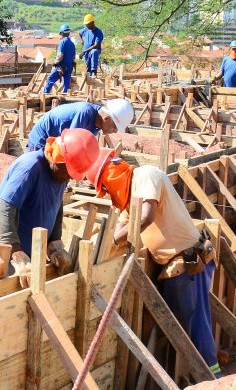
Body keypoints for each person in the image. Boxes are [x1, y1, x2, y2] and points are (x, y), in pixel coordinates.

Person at [85, 149, 222, 377]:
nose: (109, 194)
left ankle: (212, 378)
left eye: (106, 188)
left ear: (111, 175)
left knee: (192, 327)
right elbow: (118, 232)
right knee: (185, 327)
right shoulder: (130, 201)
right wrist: (96, 244)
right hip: (178, 267)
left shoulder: (145, 175)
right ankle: (201, 376)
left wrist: (113, 239)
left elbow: (146, 216)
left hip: (187, 262)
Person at [0, 128, 101, 286]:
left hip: (28, 251)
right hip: (2, 253)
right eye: (69, 172)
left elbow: (57, 204)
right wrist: (17, 255)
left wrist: (55, 244)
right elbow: (3, 210)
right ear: (57, 158)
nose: (70, 177)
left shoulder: (60, 173)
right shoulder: (29, 168)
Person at [27, 99, 134, 151]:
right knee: (38, 179)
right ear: (106, 118)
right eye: (115, 127)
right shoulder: (85, 112)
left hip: (56, 144)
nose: (114, 131)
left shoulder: (97, 125)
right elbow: (71, 145)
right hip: (41, 141)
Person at [44, 25, 75, 94]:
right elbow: (73, 57)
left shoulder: (62, 42)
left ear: (61, 33)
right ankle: (66, 96)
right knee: (66, 82)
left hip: (61, 66)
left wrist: (55, 62)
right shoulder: (72, 44)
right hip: (69, 67)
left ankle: (45, 93)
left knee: (50, 79)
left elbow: (60, 56)